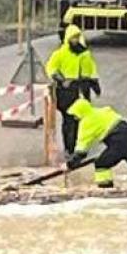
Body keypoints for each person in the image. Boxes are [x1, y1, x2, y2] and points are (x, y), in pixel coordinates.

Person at [67, 98, 127, 192]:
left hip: (118, 141)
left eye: (75, 115)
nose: (75, 118)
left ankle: (106, 189)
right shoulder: (104, 110)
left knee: (101, 163)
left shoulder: (86, 123)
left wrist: (71, 162)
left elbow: (82, 148)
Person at [44, 24, 100, 158]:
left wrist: (94, 84)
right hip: (65, 92)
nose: (75, 40)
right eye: (73, 37)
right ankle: (70, 148)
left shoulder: (84, 53)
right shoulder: (60, 54)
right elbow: (51, 68)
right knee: (69, 120)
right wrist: (61, 80)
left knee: (79, 121)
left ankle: (77, 147)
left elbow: (90, 70)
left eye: (77, 37)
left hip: (81, 90)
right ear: (68, 38)